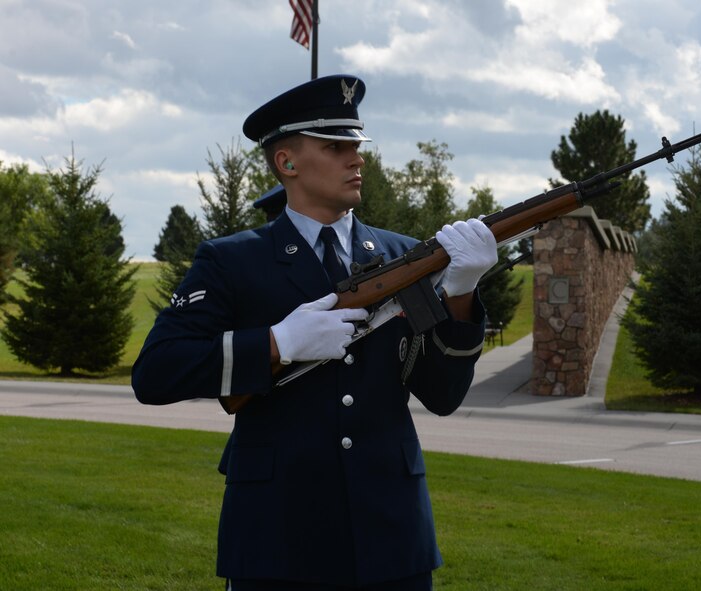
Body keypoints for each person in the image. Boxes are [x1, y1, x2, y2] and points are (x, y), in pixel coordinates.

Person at [131, 74, 498, 590]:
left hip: (391, 536)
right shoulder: (233, 262)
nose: (357, 158)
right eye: (336, 146)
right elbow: (156, 371)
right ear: (287, 162)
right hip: (277, 535)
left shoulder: (402, 257)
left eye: (357, 145)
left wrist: (460, 294)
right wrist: (278, 344)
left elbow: (442, 395)